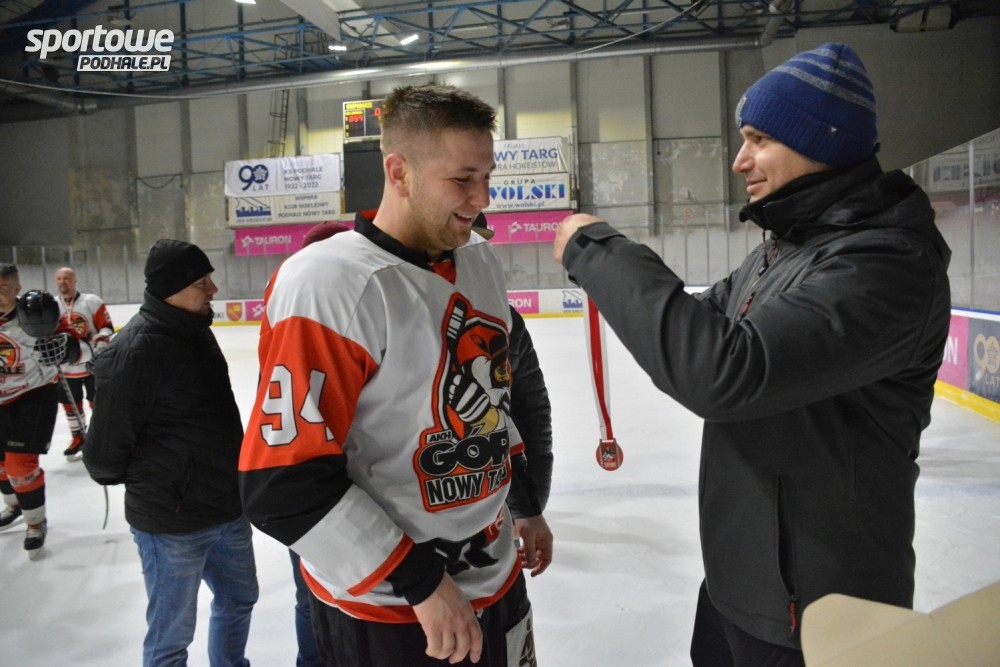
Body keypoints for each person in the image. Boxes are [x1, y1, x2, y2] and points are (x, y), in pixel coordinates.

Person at [553, 43, 951, 666]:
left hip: (821, 614)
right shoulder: (786, 250)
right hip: (742, 584)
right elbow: (699, 330)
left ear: (820, 140)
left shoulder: (884, 263)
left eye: (759, 140)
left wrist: (597, 251)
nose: (740, 160)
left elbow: (719, 373)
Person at [240, 83, 552, 667]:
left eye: (487, 177)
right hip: (396, 608)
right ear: (399, 171)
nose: (482, 198)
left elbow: (493, 407)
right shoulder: (328, 284)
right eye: (462, 179)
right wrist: (423, 584)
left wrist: (524, 503)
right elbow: (282, 484)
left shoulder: (480, 259)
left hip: (497, 575)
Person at [84, 239, 258, 667]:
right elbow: (103, 456)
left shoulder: (197, 331)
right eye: (202, 281)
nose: (213, 289)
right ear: (172, 289)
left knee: (239, 601)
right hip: (172, 524)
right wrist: (164, 481)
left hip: (227, 509)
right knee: (171, 637)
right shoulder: (132, 353)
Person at [0, 266, 86, 558]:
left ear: (17, 289)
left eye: (2, 288)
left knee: (19, 466)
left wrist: (67, 348)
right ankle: (14, 506)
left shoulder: (35, 313)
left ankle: (35, 522)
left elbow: (80, 346)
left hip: (31, 396)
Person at [53, 266, 114, 459]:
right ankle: (78, 437)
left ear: (75, 280)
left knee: (98, 402)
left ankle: (100, 438)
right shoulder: (52, 306)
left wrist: (101, 339)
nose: (63, 282)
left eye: (67, 278)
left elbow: (106, 327)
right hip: (66, 367)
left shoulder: (92, 301)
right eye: (59, 279)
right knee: (71, 405)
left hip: (92, 363)